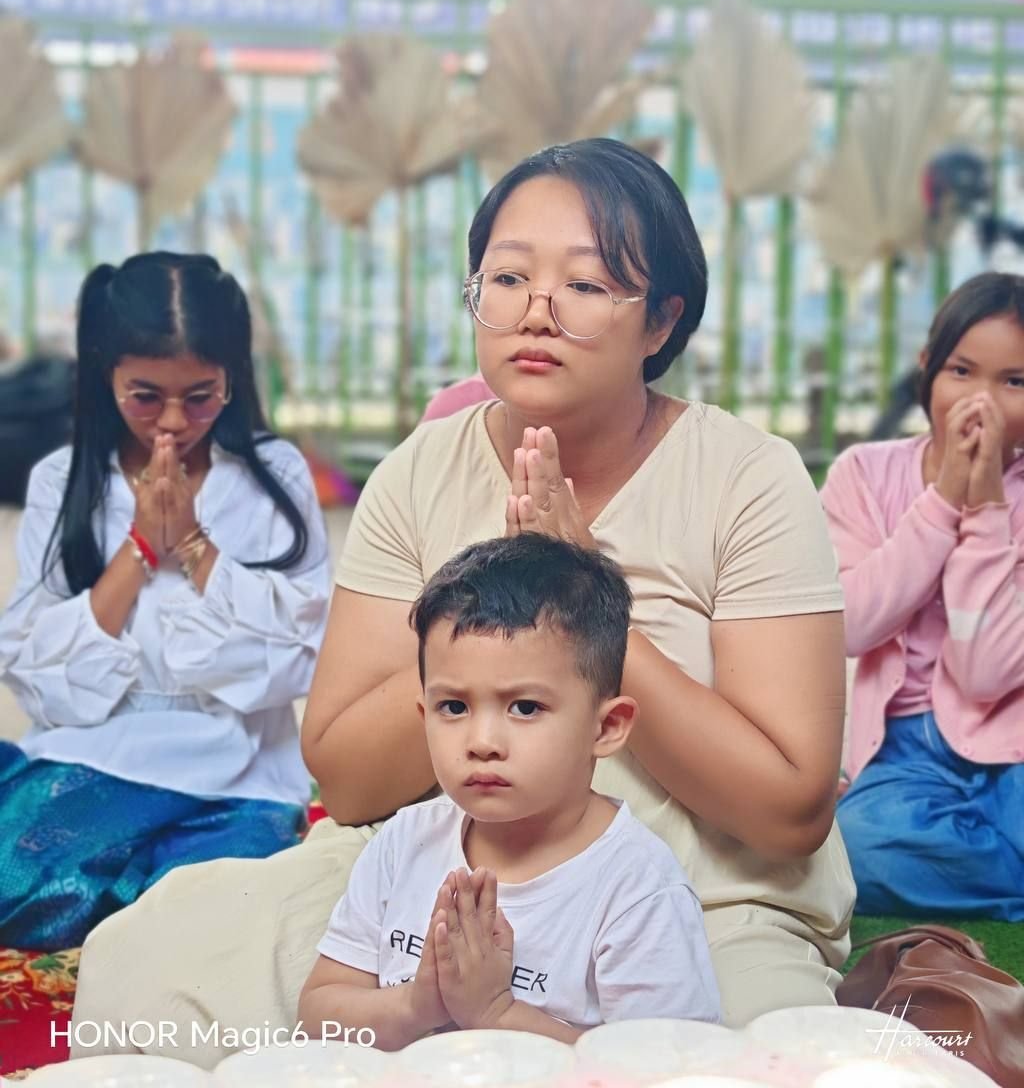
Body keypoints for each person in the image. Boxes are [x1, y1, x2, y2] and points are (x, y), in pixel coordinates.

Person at [72, 140, 852, 1067]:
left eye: (589, 286)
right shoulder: (422, 471)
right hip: (426, 892)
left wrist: (578, 595)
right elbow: (350, 780)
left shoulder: (746, 477)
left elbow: (788, 810)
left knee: (760, 1066)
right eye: (508, 278)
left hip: (696, 892)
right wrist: (484, 618)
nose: (537, 313)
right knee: (148, 963)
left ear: (661, 321)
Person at [0, 253, 330, 950]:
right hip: (90, 759)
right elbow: (34, 674)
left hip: (237, 777)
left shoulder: (274, 477)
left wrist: (194, 543)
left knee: (220, 914)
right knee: (20, 884)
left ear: (233, 381)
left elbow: (305, 654)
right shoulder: (63, 480)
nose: (173, 424)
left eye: (201, 396)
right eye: (145, 396)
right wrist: (142, 550)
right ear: (105, 375)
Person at [300, 535, 721, 1047]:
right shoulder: (405, 842)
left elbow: (668, 1067)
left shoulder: (635, 888)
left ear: (606, 727)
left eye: (524, 708)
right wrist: (416, 1006)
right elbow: (320, 1011)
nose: (481, 743)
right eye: (453, 708)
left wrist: (497, 1013)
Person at [823, 272, 1024, 921]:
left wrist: (989, 505)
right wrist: (942, 506)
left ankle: (975, 871)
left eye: (1014, 383)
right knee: (855, 847)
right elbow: (850, 623)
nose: (982, 403)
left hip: (1015, 741)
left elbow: (986, 671)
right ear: (927, 370)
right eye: (962, 372)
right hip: (904, 753)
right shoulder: (863, 474)